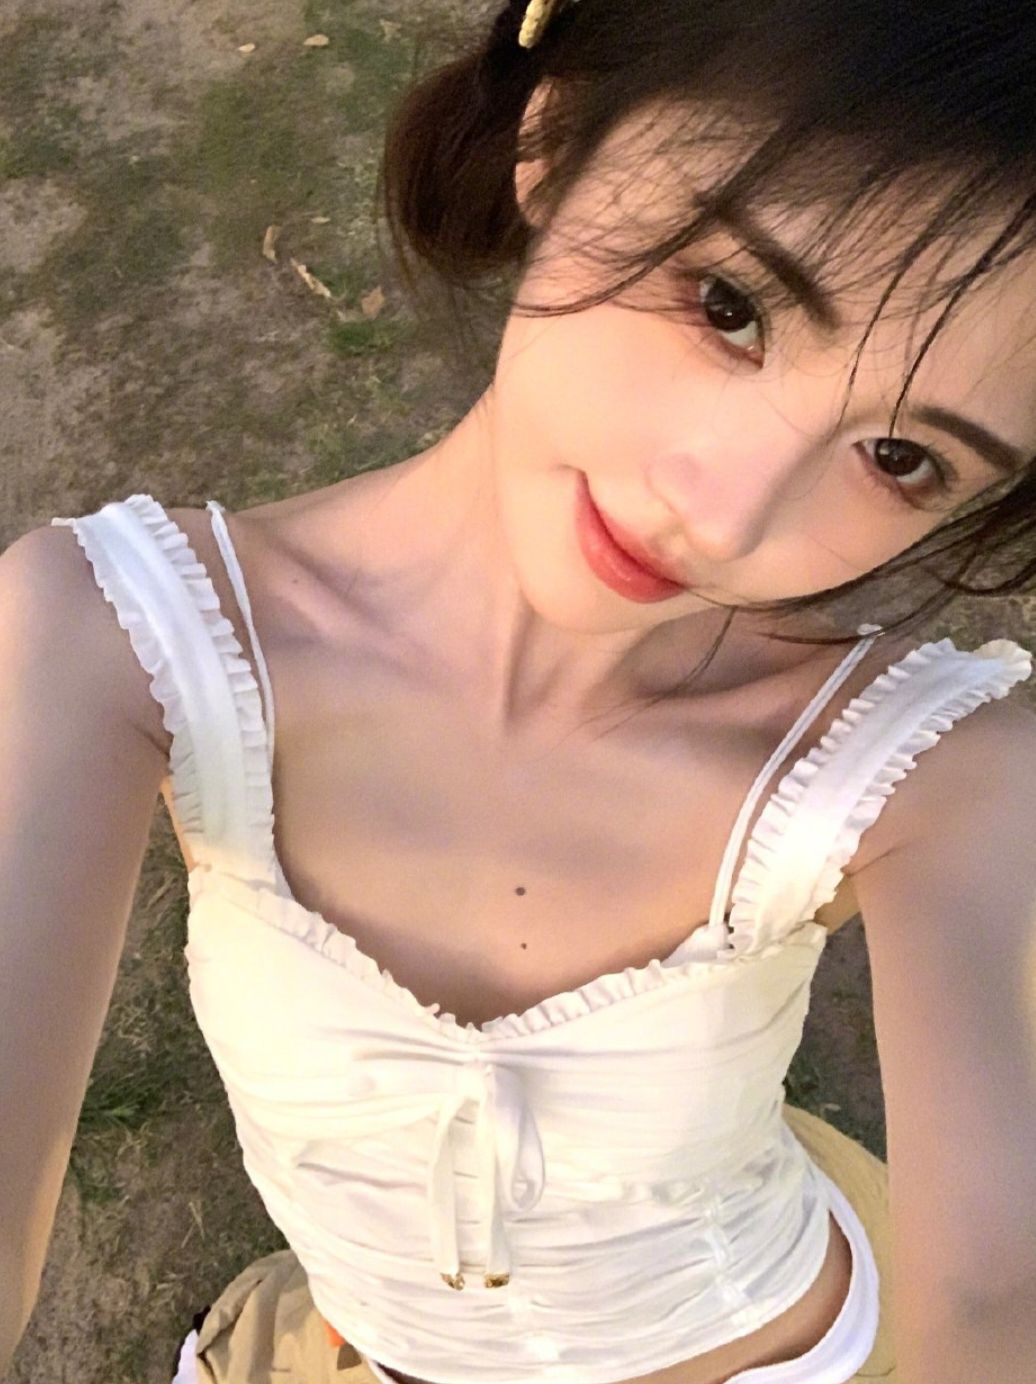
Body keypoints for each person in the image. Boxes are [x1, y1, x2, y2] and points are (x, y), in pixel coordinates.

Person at [3, 1, 1036, 1381]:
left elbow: (997, 1296)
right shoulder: (107, 637)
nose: (725, 514)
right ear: (555, 137)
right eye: (729, 306)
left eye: (904, 457)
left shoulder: (941, 775)